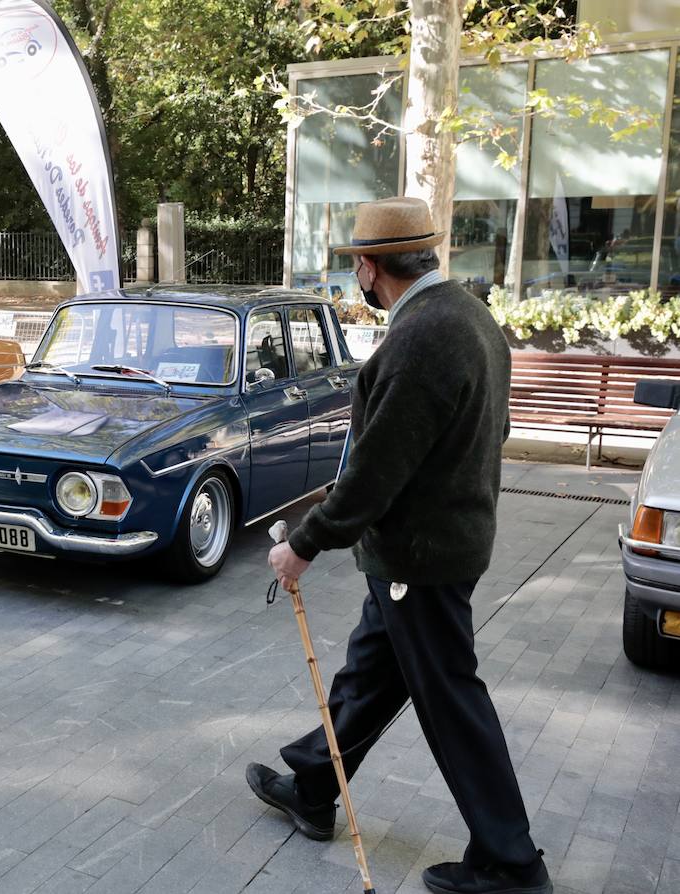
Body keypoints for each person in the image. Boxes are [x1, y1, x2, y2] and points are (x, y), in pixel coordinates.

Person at [248, 197, 550, 894]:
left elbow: (374, 470)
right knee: (369, 676)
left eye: (354, 265)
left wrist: (304, 544)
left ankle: (513, 866)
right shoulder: (467, 314)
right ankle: (315, 787)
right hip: (434, 546)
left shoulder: (421, 336)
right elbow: (488, 435)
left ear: (367, 267)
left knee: (451, 704)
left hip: (424, 556)